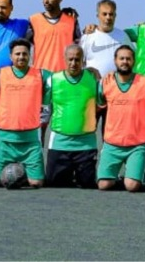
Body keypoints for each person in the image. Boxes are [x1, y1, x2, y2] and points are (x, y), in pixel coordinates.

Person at [96, 45, 145, 192]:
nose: (125, 61)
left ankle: (134, 176)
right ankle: (119, 177)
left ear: (134, 61)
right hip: (112, 143)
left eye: (128, 59)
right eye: (121, 58)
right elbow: (99, 106)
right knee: (103, 185)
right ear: (115, 61)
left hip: (136, 144)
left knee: (132, 186)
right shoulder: (105, 82)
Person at [0, 39, 51, 188]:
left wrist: (91, 70)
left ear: (29, 55)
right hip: (5, 138)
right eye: (17, 54)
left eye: (25, 54)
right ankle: (17, 172)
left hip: (30, 139)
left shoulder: (41, 74)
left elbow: (65, 75)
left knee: (36, 183)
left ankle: (21, 173)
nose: (21, 57)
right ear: (10, 56)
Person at [44, 45, 100, 188]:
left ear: (83, 61)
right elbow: (44, 108)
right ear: (64, 59)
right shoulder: (53, 80)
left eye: (77, 59)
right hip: (60, 141)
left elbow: (102, 103)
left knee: (87, 184)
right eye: (70, 59)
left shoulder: (93, 78)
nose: (73, 63)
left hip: (86, 142)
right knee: (54, 184)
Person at [79, 0, 133, 133]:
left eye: (111, 14)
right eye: (104, 14)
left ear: (115, 15)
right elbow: (80, 64)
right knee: (88, 130)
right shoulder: (87, 37)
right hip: (92, 92)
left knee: (111, 132)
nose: (108, 17)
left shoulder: (122, 36)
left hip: (115, 93)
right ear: (97, 15)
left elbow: (132, 60)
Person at [27, 0, 82, 73]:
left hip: (65, 74)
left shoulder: (71, 21)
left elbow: (80, 45)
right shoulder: (33, 20)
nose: (46, 1)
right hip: (41, 73)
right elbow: (24, 47)